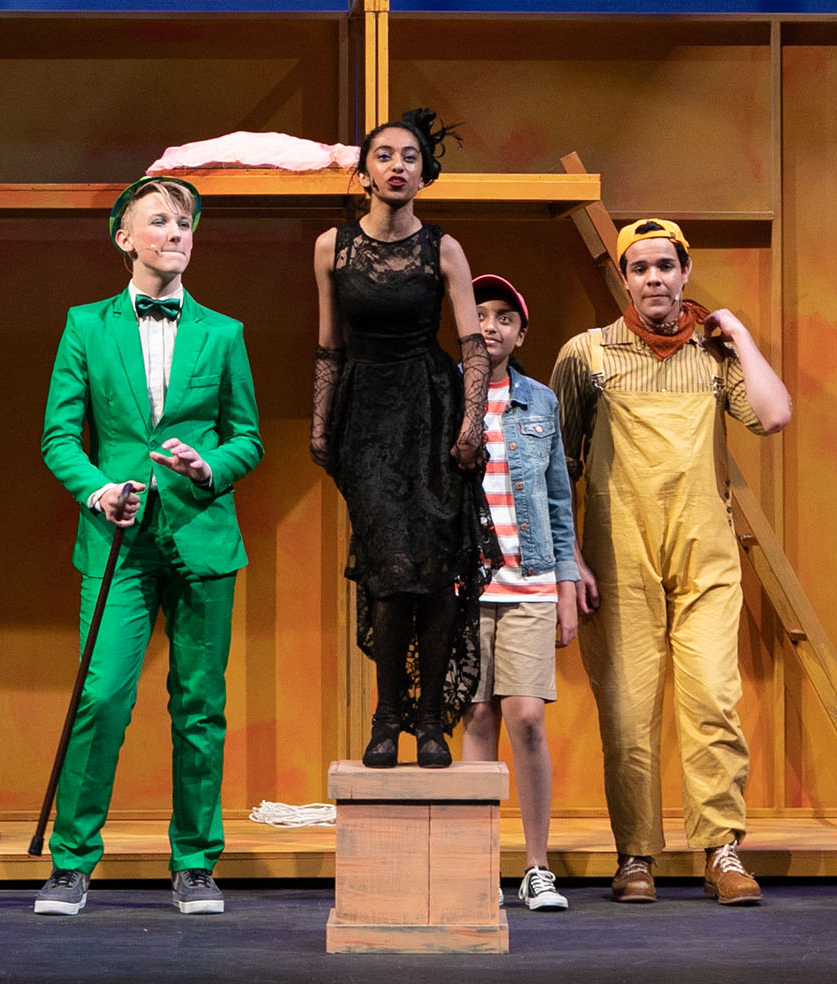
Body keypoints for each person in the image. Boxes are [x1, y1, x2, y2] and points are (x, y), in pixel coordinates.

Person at [35, 176, 263, 917]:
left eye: (185, 223)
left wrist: (208, 466)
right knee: (100, 696)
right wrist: (99, 490)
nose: (175, 233)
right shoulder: (85, 326)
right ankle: (72, 861)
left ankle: (195, 862)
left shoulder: (223, 332)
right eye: (159, 221)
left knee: (199, 706)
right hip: (118, 539)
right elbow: (59, 437)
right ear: (125, 238)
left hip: (202, 537)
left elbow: (247, 438)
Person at [553, 218, 790, 906]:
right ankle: (635, 855)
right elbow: (555, 464)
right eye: (640, 267)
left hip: (704, 554)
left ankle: (721, 851)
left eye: (665, 266)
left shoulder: (714, 356)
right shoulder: (587, 355)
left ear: (685, 273)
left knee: (713, 701)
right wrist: (568, 557)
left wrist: (738, 333)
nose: (654, 278)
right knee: (627, 711)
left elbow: (774, 416)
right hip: (617, 554)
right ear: (624, 278)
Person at [310, 107, 495, 770]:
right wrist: (320, 424)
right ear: (364, 173)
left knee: (436, 572)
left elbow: (473, 347)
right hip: (367, 416)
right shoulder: (332, 246)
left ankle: (432, 722)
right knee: (389, 573)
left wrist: (470, 425)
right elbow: (330, 344)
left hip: (431, 409)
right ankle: (387, 717)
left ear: (424, 173)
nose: (397, 166)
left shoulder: (443, 248)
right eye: (384, 155)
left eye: (410, 157)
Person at [459, 273, 578, 912]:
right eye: (481, 314)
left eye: (505, 317)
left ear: (521, 334)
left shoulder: (540, 402)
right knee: (477, 715)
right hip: (465, 581)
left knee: (526, 717)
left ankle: (537, 866)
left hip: (529, 579)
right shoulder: (445, 393)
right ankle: (479, 866)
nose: (491, 326)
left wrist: (566, 580)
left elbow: (558, 498)